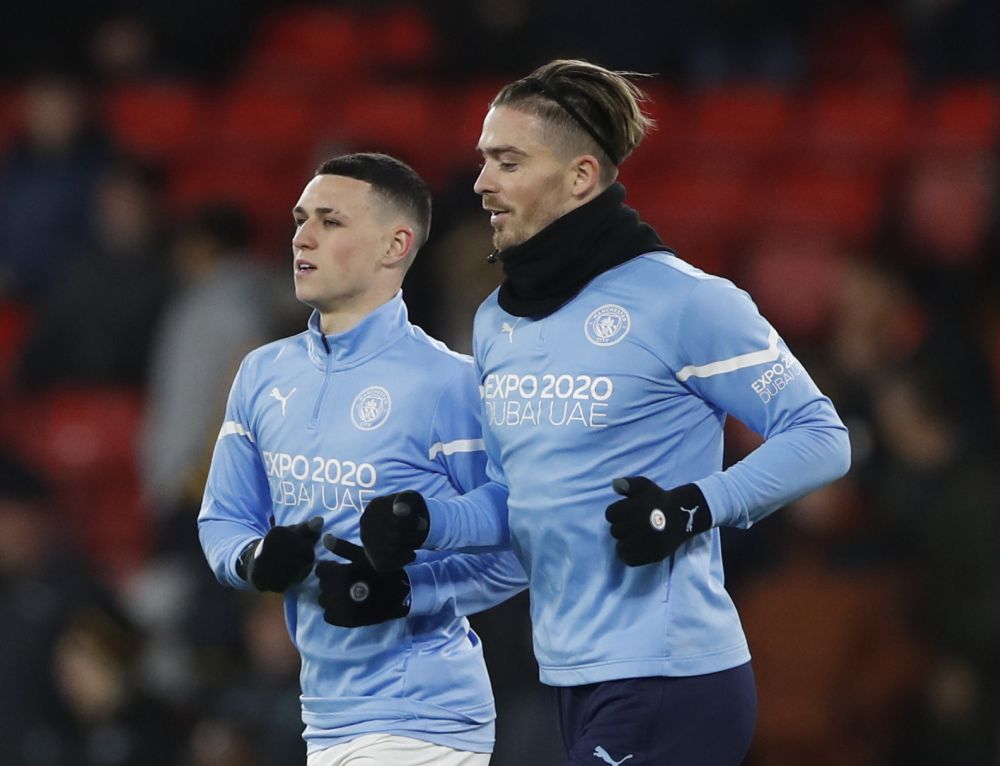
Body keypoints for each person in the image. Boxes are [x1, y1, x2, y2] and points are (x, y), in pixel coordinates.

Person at [358, 60, 852, 764]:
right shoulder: (499, 321)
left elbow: (821, 437)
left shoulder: (686, 302)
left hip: (673, 677)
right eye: (483, 161)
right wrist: (429, 522)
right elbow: (514, 508)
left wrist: (691, 507)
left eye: (508, 161)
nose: (481, 184)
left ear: (581, 178)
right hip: (570, 678)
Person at [197, 152, 527, 765]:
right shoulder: (262, 374)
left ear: (394, 245)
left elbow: (519, 545)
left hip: (425, 713)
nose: (302, 236)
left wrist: (405, 591)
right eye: (300, 219)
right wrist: (256, 559)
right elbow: (222, 520)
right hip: (323, 712)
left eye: (331, 220)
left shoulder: (450, 385)